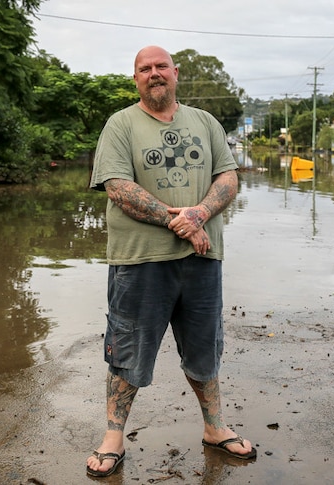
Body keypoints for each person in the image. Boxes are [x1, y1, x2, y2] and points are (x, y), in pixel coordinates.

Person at [85, 45, 255, 477]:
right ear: (136, 78)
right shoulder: (120, 124)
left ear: (176, 74)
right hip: (140, 261)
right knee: (126, 349)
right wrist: (178, 220)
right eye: (145, 69)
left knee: (205, 347)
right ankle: (112, 438)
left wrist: (200, 214)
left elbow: (228, 176)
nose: (154, 74)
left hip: (202, 259)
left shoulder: (206, 122)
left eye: (161, 67)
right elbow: (118, 187)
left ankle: (215, 427)